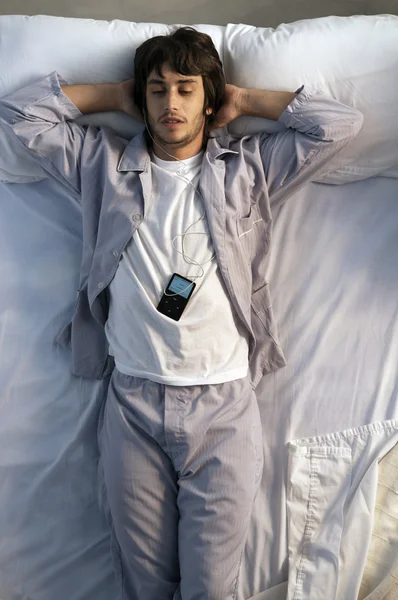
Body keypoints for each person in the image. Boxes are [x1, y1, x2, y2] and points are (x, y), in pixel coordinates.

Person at [0, 26, 363, 600]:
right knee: (145, 588)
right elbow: (21, 115)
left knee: (211, 591)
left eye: (186, 89)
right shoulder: (103, 164)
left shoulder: (248, 171)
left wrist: (242, 101)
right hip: (133, 407)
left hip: (223, 410)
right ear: (141, 99)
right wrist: (110, 95)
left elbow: (338, 126)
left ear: (208, 99)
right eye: (157, 90)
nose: (170, 103)